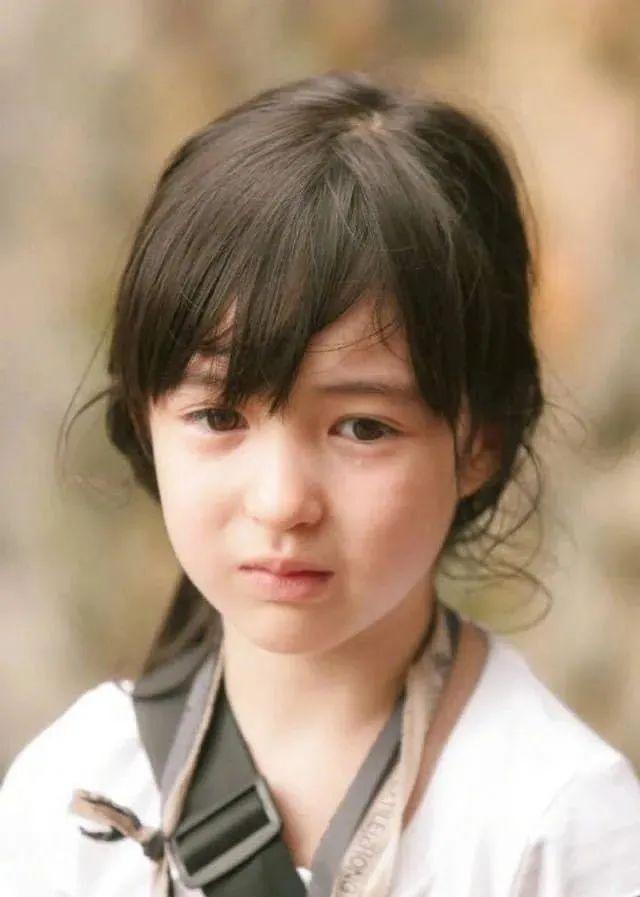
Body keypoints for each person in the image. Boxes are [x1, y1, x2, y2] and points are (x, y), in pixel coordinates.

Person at [1, 69, 639, 897]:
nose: (280, 501)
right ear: (143, 419)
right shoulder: (75, 791)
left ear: (480, 441)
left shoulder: (555, 825)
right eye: (219, 415)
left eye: (363, 427)